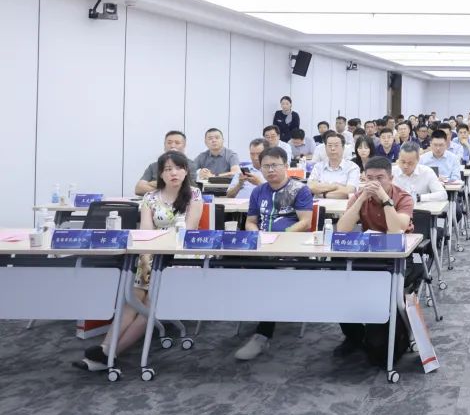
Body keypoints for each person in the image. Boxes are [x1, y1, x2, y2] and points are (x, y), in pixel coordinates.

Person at [75, 151, 204, 372]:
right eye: (167, 169)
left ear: (186, 171)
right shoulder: (150, 198)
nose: (173, 173)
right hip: (151, 255)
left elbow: (189, 230)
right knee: (133, 298)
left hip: (181, 259)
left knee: (150, 303)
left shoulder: (194, 194)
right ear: (160, 174)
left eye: (178, 168)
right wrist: (148, 257)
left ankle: (110, 353)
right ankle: (105, 347)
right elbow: (145, 232)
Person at [234, 146, 314, 361]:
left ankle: (262, 335)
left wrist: (281, 237)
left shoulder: (300, 190)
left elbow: (305, 222)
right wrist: (256, 235)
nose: (270, 170)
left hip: (290, 251)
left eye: (275, 165)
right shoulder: (258, 191)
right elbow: (251, 221)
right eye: (266, 166)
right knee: (227, 267)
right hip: (261, 249)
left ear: (286, 166)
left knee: (270, 279)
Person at [335, 156, 415, 363]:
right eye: (369, 178)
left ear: (391, 178)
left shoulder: (403, 197)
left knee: (379, 289)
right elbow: (342, 229)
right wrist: (362, 198)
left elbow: (396, 231)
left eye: (380, 178)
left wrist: (385, 199)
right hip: (368, 255)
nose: (374, 183)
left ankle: (382, 334)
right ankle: (353, 336)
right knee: (338, 282)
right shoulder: (360, 196)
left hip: (398, 258)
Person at [135, 130, 194, 195]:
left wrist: (153, 184)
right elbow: (139, 189)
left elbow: (187, 190)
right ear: (164, 145)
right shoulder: (153, 166)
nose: (172, 146)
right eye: (169, 143)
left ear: (184, 146)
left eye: (177, 143)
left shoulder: (191, 165)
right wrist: (165, 190)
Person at [307, 132, 361, 199]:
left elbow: (349, 191)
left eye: (336, 145)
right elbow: (311, 187)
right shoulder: (318, 166)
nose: (332, 148)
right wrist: (335, 186)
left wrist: (322, 194)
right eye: (329, 145)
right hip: (318, 204)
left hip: (342, 205)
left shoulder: (352, 167)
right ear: (325, 148)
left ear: (343, 148)